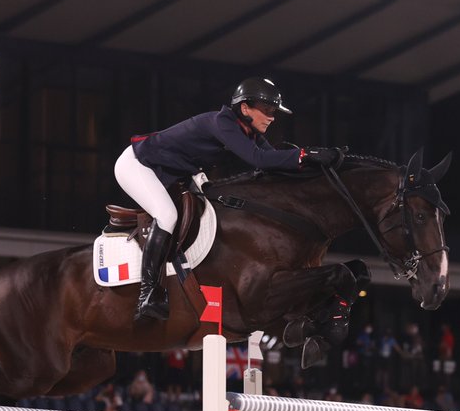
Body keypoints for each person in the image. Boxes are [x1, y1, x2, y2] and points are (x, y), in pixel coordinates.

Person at [115, 77, 342, 321]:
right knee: (167, 215)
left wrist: (315, 163)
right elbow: (258, 160)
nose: (272, 117)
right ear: (245, 108)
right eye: (267, 110)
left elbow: (273, 160)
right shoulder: (222, 123)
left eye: (274, 111)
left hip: (172, 172)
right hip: (138, 164)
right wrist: (305, 154)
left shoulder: (249, 131)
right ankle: (148, 294)